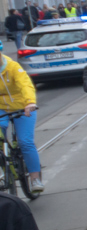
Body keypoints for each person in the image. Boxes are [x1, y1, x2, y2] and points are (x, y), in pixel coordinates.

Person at [0, 52, 41, 193]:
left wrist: (30, 102)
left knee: (25, 142)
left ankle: (35, 178)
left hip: (23, 107)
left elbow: (26, 85)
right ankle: (5, 169)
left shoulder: (13, 67)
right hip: (1, 108)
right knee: (0, 130)